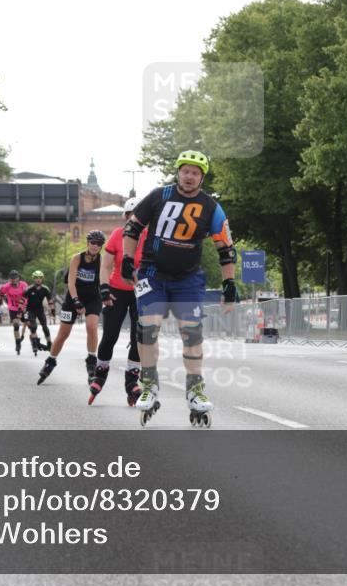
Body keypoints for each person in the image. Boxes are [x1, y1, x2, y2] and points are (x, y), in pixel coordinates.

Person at [120, 150, 239, 427]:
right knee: (147, 328)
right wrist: (127, 260)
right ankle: (148, 383)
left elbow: (226, 248)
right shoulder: (158, 196)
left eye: (195, 173)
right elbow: (131, 229)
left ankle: (195, 390)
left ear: (202, 177)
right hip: (152, 273)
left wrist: (229, 283)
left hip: (187, 278)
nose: (189, 176)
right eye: (185, 170)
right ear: (178, 172)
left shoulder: (211, 207)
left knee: (192, 332)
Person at [90, 197, 148, 406]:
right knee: (110, 334)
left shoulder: (150, 238)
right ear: (125, 217)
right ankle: (100, 372)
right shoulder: (117, 235)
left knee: (138, 336)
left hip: (141, 291)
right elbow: (105, 266)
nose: (133, 219)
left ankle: (132, 379)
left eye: (137, 215)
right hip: (116, 290)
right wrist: (104, 289)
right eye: (129, 215)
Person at [37, 230, 106, 386]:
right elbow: (71, 283)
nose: (95, 246)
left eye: (99, 244)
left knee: (92, 327)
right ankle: (50, 361)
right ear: (88, 243)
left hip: (93, 298)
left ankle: (91, 360)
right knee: (63, 333)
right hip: (73, 298)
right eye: (93, 243)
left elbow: (104, 281)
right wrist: (76, 301)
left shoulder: (101, 261)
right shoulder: (77, 258)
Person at [0, 270, 29, 354]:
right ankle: (18, 343)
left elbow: (27, 295)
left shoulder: (24, 285)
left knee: (30, 324)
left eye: (15, 278)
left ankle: (32, 339)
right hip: (13, 308)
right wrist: (1, 299)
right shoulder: (6, 286)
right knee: (16, 325)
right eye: (11, 278)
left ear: (18, 278)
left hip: (24, 307)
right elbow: (1, 292)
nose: (13, 280)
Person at [23, 270, 53, 356]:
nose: (38, 280)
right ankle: (34, 344)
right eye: (36, 278)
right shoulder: (29, 289)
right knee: (33, 327)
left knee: (45, 328)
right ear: (33, 279)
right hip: (30, 310)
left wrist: (52, 310)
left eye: (40, 278)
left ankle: (49, 343)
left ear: (42, 279)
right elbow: (22, 302)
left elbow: (50, 300)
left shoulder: (45, 289)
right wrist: (23, 313)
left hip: (40, 310)